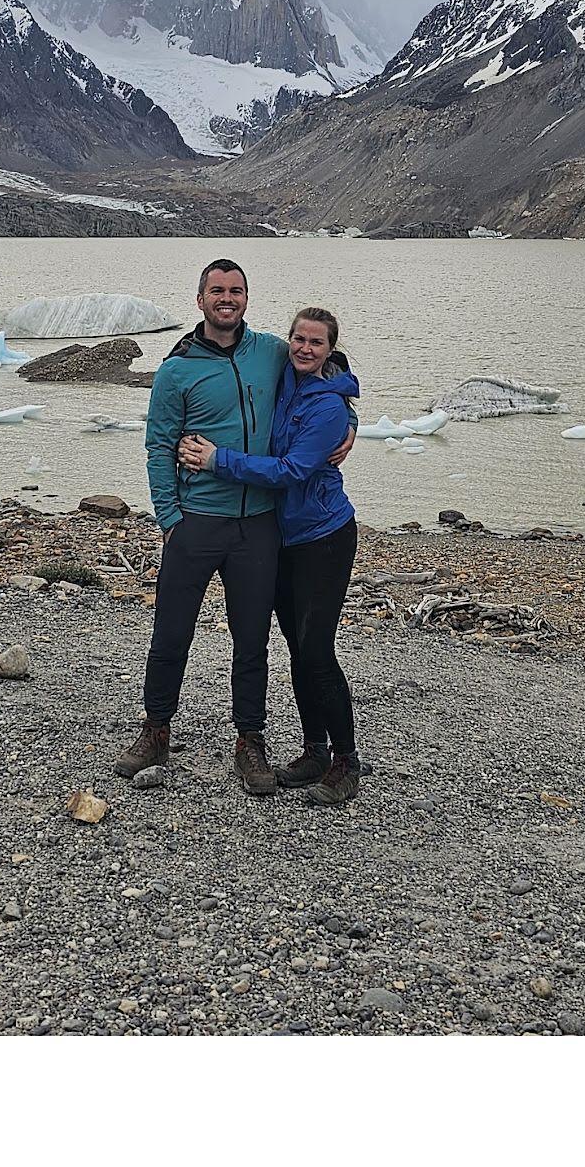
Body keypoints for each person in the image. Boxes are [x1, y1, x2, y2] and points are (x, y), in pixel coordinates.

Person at [120, 259, 350, 796]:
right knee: (171, 633)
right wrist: (170, 518)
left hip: (259, 525)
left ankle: (250, 742)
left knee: (252, 642)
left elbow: (327, 375)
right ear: (200, 299)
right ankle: (156, 729)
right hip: (197, 521)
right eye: (217, 290)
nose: (228, 298)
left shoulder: (270, 351)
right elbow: (159, 445)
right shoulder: (177, 369)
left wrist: (352, 423)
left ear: (247, 298)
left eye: (237, 290)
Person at [179, 304, 363, 806]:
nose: (305, 349)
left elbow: (289, 471)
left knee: (317, 649)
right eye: (299, 339)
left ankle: (346, 760)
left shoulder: (326, 406)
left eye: (316, 343)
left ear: (329, 350)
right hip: (283, 537)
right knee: (299, 649)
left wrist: (218, 460)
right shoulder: (287, 374)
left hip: (324, 536)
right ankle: (314, 750)